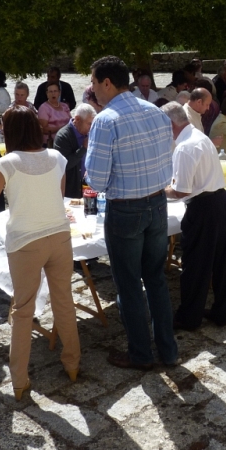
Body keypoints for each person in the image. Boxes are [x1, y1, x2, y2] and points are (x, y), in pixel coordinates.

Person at [0, 105, 80, 398]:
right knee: (64, 301)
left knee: (23, 310)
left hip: (25, 242)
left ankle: (20, 381)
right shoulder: (57, 157)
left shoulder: (6, 164)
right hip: (58, 235)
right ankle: (72, 363)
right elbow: (55, 197)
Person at [85, 55, 178, 370]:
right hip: (157, 203)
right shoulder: (155, 111)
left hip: (127, 208)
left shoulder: (106, 119)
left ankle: (141, 353)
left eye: (94, 82)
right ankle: (168, 350)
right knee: (156, 279)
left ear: (107, 83)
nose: (92, 88)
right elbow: (167, 161)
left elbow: (96, 181)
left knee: (129, 284)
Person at [162, 102, 226, 329]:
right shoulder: (198, 135)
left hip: (204, 208)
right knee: (222, 263)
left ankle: (189, 317)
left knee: (196, 265)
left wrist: (158, 189)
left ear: (170, 124)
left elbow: (181, 190)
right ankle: (222, 312)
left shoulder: (185, 146)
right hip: (221, 201)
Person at [54, 103, 96, 198]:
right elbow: (64, 165)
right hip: (70, 191)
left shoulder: (91, 133)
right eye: (89, 124)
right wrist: (83, 148)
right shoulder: (63, 136)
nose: (91, 127)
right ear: (77, 119)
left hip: (90, 189)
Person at [37, 82, 71, 147]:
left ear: (59, 93)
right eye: (50, 91)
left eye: (55, 91)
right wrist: (61, 129)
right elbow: (43, 129)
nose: (53, 93)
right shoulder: (44, 107)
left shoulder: (65, 106)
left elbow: (70, 122)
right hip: (51, 142)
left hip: (66, 140)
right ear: (47, 94)